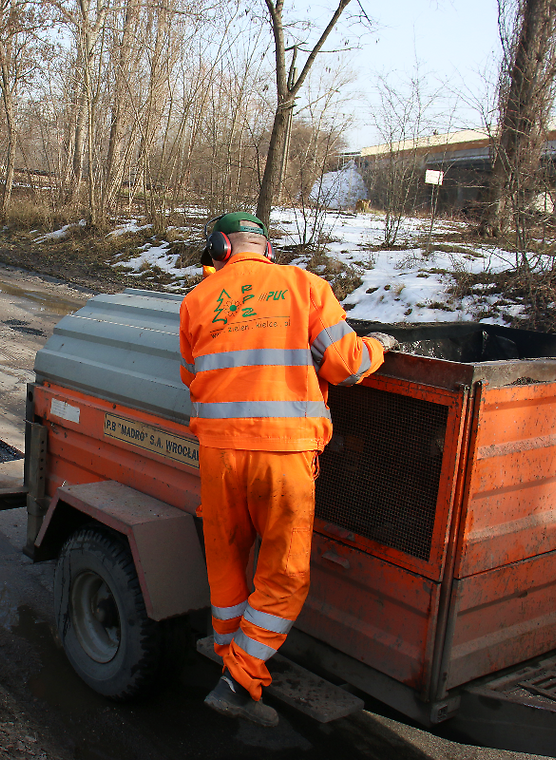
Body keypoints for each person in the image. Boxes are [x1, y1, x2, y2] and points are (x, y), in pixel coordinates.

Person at [178, 212, 398, 727]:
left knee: (227, 559)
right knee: (284, 572)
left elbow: (191, 375)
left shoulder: (196, 301)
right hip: (284, 457)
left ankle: (229, 655)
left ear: (219, 248)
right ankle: (240, 677)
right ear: (268, 249)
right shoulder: (306, 287)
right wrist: (381, 345)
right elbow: (348, 366)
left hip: (219, 456)